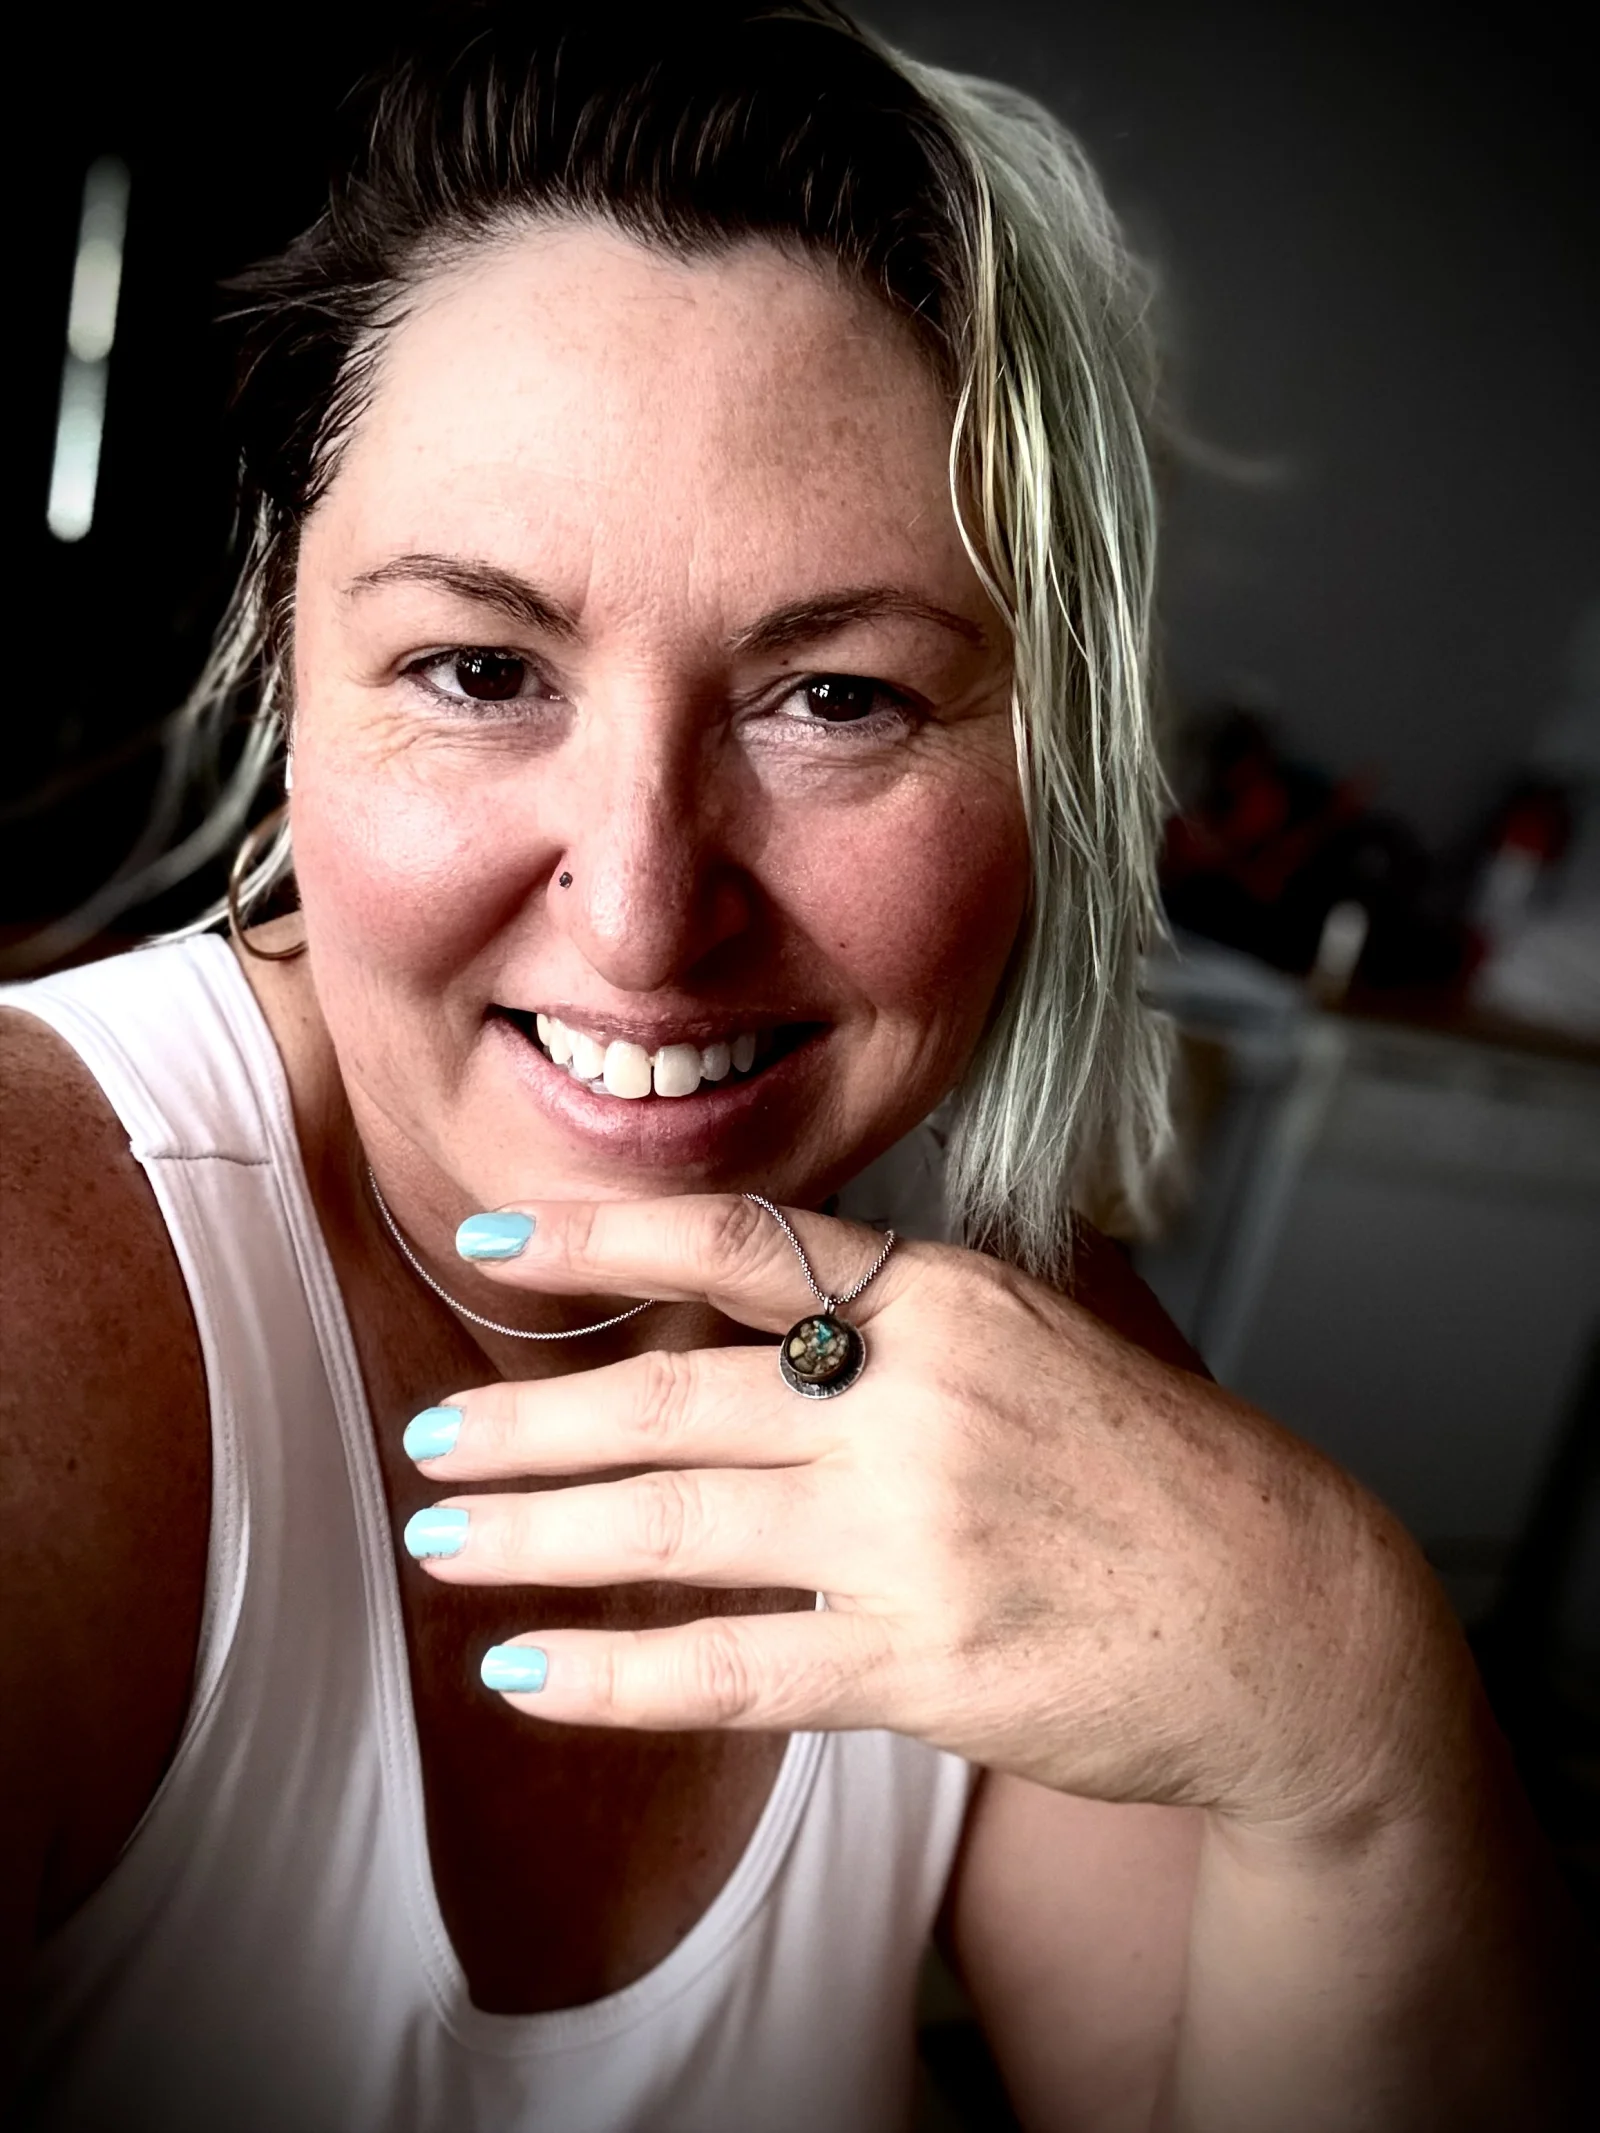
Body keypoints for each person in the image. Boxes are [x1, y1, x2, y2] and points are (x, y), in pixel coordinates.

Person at [0, 5, 1587, 2127]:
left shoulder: (995, 1355)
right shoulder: (36, 1280)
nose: (643, 914)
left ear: (1052, 757)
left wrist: (1366, 1716)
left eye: (834, 698)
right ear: (292, 666)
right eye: (478, 668)